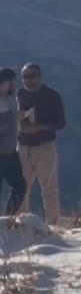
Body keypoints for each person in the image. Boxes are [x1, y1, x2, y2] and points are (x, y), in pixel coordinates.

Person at [15, 62, 66, 223]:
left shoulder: (52, 96)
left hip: (45, 147)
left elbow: (61, 123)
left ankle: (53, 224)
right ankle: (22, 223)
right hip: (23, 146)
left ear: (40, 77)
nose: (28, 80)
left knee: (49, 188)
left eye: (32, 76)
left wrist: (40, 127)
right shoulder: (20, 93)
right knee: (21, 187)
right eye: (25, 76)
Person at [0, 69, 22, 215]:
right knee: (19, 185)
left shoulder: (3, 101)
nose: (14, 86)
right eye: (11, 83)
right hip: (2, 154)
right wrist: (14, 119)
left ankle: (8, 218)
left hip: (9, 153)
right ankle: (6, 220)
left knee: (20, 185)